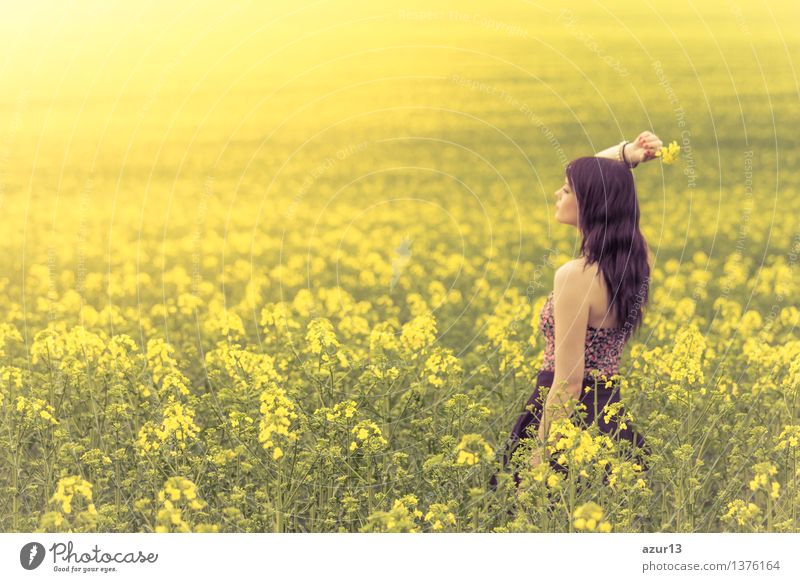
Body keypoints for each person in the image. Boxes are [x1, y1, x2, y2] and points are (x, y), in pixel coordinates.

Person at [489, 132, 663, 493]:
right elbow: (602, 181)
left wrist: (539, 460)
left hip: (564, 415)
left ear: (590, 203)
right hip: (608, 414)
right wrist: (628, 154)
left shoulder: (574, 277)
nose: (557, 194)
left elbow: (568, 381)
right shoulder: (635, 260)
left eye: (567, 190)